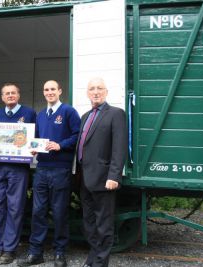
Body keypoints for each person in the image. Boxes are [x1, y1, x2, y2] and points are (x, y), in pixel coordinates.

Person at [17, 80, 81, 267]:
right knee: (38, 211)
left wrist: (61, 145)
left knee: (60, 212)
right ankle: (36, 252)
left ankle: (60, 253)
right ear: (44, 93)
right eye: (46, 89)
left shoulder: (68, 111)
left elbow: (78, 135)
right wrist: (33, 148)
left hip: (61, 169)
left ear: (60, 91)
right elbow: (36, 138)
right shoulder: (41, 115)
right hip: (42, 169)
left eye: (53, 89)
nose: (50, 92)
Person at [77, 77, 127, 267]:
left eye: (99, 88)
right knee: (89, 224)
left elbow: (119, 147)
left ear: (106, 92)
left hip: (104, 179)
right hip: (85, 179)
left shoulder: (116, 114)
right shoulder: (85, 116)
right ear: (87, 93)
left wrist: (114, 176)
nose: (95, 92)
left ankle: (100, 263)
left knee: (104, 225)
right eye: (92, 89)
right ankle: (93, 257)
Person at [0, 83, 36, 265]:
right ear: (2, 97)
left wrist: (34, 148)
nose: (10, 95)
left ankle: (9, 249)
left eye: (13, 93)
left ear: (18, 95)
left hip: (18, 168)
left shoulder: (29, 113)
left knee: (15, 208)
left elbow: (34, 138)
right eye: (6, 93)